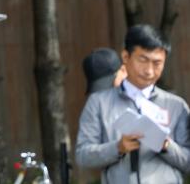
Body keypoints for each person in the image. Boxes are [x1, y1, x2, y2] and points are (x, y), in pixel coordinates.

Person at [76, 24, 190, 183]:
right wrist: (117, 147)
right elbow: (83, 156)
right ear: (125, 57)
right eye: (143, 60)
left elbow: (187, 162)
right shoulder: (99, 103)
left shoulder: (176, 105)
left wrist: (166, 146)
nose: (149, 71)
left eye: (157, 63)